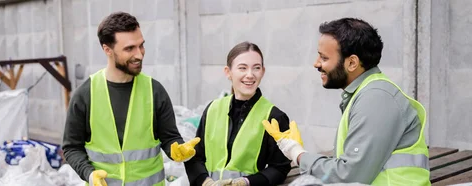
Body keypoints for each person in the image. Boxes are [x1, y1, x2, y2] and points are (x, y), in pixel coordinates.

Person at [262, 18, 431, 186]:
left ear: (352, 63)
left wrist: (297, 153)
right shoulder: (365, 93)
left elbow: (349, 176)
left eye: (324, 58)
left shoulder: (376, 99)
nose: (316, 63)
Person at [62, 11, 200, 186]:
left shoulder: (154, 91)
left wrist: (177, 149)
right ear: (107, 50)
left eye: (141, 45)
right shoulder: (85, 95)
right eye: (129, 48)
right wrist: (89, 174)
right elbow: (71, 147)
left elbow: (169, 137)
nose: (139, 54)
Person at [184, 41, 293, 186]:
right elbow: (196, 157)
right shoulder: (212, 109)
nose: (250, 75)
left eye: (256, 68)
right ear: (228, 72)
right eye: (242, 68)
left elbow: (280, 168)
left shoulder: (274, 117)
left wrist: (246, 182)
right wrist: (205, 181)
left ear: (263, 71)